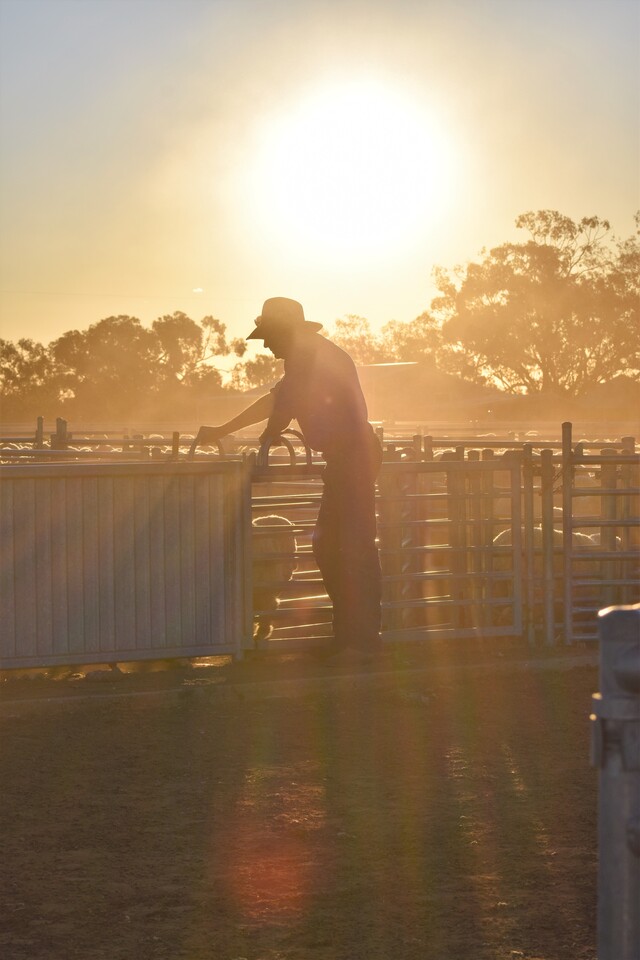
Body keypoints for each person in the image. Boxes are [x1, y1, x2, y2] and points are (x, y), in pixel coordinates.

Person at [191, 296, 383, 666]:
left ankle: (361, 641)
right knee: (337, 547)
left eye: (268, 336)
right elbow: (277, 399)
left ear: (283, 331)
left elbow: (284, 405)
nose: (266, 345)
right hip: (349, 458)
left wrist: (269, 433)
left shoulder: (307, 355)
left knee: (348, 546)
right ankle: (352, 637)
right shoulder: (308, 354)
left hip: (352, 458)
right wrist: (223, 429)